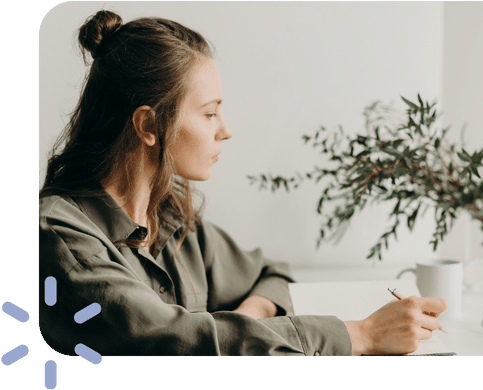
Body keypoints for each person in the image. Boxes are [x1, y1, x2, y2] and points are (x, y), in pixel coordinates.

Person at [38, 10, 447, 357]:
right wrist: (362, 334)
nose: (226, 130)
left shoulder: (171, 219)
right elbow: (172, 339)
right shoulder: (59, 236)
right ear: (149, 125)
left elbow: (271, 274)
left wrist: (248, 319)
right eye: (210, 113)